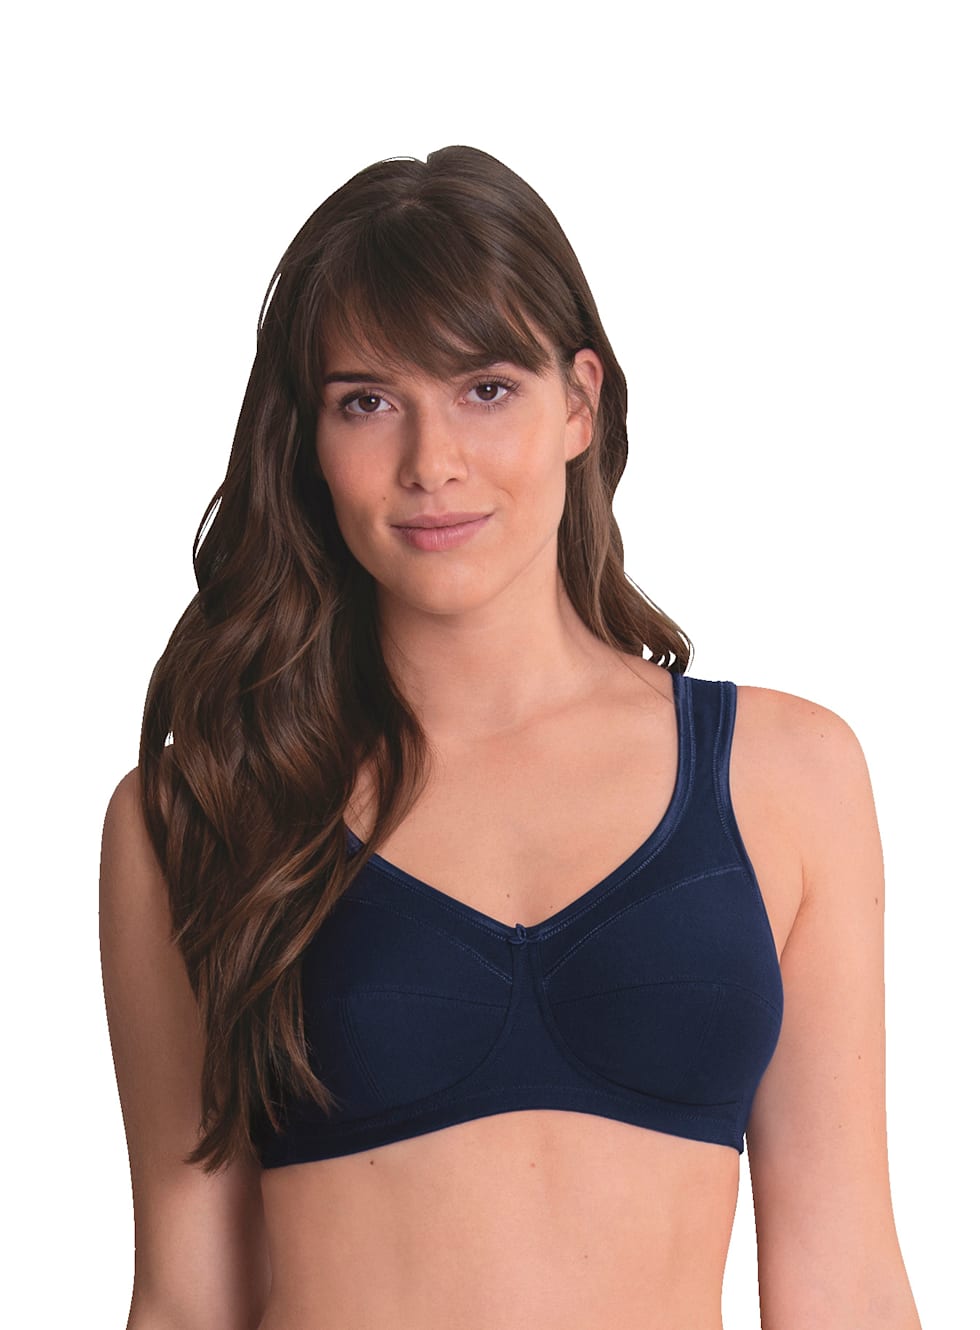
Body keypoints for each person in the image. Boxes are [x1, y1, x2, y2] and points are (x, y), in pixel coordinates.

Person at [99, 145, 922, 1330]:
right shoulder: (204, 811)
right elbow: (187, 1300)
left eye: (484, 389)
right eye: (367, 401)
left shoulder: (787, 777)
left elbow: (844, 1283)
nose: (430, 463)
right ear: (308, 438)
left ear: (579, 402)